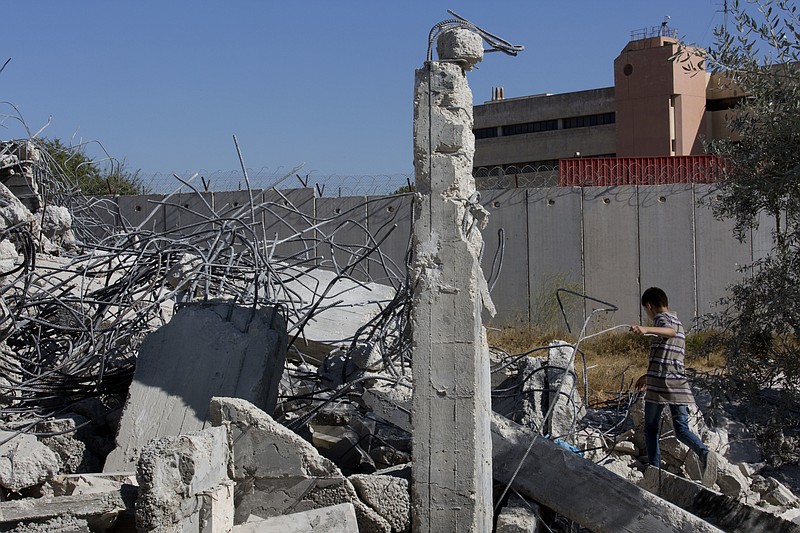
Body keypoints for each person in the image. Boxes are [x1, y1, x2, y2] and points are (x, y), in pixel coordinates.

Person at [631, 287, 718, 487]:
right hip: (678, 384)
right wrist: (646, 376)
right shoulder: (679, 322)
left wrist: (646, 329)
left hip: (661, 385)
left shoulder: (663, 321)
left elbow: (668, 332)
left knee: (651, 430)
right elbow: (667, 356)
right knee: (681, 429)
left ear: (649, 306)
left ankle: (654, 471)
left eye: (647, 310)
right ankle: (704, 453)